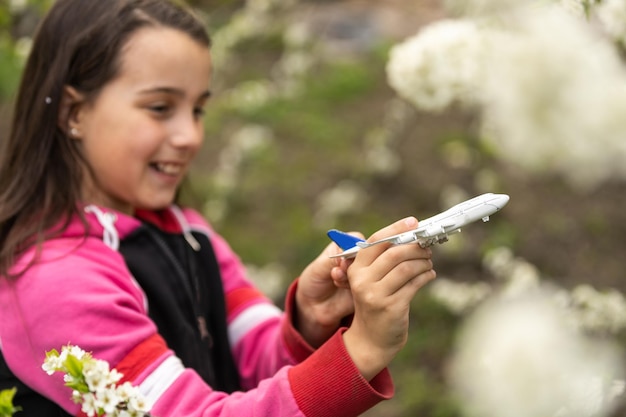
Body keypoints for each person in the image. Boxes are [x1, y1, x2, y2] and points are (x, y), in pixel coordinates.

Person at [0, 0, 436, 416]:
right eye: (160, 108)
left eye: (198, 109)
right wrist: (362, 350)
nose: (190, 135)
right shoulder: (56, 279)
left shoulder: (187, 230)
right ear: (74, 112)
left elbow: (250, 363)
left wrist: (308, 320)